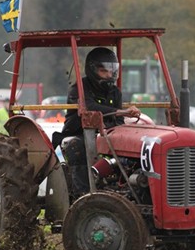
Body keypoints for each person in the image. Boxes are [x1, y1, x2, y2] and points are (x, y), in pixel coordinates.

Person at [57, 47, 140, 197]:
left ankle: (127, 188)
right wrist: (122, 111)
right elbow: (90, 107)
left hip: (106, 134)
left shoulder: (115, 92)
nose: (109, 75)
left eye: (112, 71)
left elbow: (119, 122)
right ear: (92, 70)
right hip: (79, 133)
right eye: (104, 71)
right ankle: (82, 196)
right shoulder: (79, 89)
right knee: (77, 146)